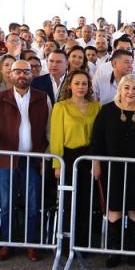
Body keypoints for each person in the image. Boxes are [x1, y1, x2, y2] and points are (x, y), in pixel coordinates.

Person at [0, 58, 50, 261]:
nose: (22, 75)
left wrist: (47, 155)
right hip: (6, 159)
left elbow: (49, 129)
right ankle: (6, 244)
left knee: (33, 204)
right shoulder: (0, 98)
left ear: (32, 74)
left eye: (26, 71)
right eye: (17, 71)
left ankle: (31, 244)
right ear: (10, 75)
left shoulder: (43, 97)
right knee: (6, 203)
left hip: (33, 158)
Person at [89, 74, 135, 266]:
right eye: (126, 88)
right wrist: (96, 163)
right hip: (113, 169)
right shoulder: (107, 110)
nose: (130, 92)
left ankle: (133, 251)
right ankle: (114, 252)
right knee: (114, 208)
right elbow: (97, 139)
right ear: (120, 90)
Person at [50, 69, 101, 250]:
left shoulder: (96, 107)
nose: (81, 87)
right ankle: (67, 245)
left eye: (84, 83)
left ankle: (82, 244)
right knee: (69, 202)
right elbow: (56, 137)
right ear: (70, 86)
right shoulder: (61, 107)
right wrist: (57, 164)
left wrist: (96, 161)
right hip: (69, 158)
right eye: (77, 83)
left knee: (86, 201)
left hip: (89, 158)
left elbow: (99, 137)